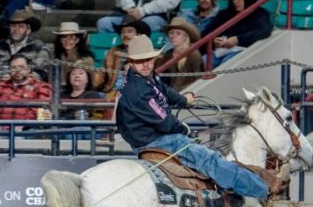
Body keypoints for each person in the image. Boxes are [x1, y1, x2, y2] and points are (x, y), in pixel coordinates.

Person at [115, 33, 282, 197]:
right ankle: (264, 188)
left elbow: (163, 91)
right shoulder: (138, 91)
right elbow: (165, 122)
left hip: (147, 137)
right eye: (139, 61)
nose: (145, 65)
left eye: (148, 60)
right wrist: (183, 128)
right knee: (209, 160)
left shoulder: (143, 78)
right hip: (156, 140)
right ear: (131, 62)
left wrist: (183, 100)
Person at [206, 0, 273, 67]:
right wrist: (214, 41)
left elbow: (264, 30)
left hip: (243, 51)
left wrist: (238, 40)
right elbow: (207, 33)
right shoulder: (225, 13)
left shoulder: (260, 14)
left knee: (226, 65)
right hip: (219, 51)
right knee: (202, 63)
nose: (235, 1)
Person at [0, 52, 52, 123]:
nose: (17, 70)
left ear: (29, 69)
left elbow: (40, 110)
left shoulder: (41, 86)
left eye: (21, 67)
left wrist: (22, 126)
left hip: (23, 131)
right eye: (13, 67)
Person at [0, 8, 52, 83]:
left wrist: (17, 78)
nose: (16, 29)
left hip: (28, 90)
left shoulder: (40, 48)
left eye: (20, 26)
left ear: (28, 30)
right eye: (13, 26)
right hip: (0, 88)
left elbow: (42, 73)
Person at [157, 17, 203, 92]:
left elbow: (198, 79)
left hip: (192, 92)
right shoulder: (168, 55)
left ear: (185, 36)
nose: (173, 36)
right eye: (171, 33)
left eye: (178, 33)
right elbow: (158, 75)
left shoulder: (194, 54)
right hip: (172, 94)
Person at [51, 21, 95, 88]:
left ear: (77, 40)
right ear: (60, 40)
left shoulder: (87, 59)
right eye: (64, 37)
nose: (67, 41)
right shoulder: (56, 58)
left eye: (71, 37)